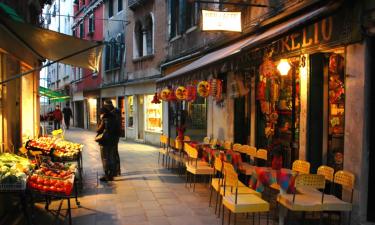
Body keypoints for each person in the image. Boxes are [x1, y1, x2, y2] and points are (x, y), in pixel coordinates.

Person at [96, 100, 121, 182]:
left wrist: (99, 124)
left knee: (105, 158)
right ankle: (114, 173)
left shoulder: (105, 118)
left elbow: (99, 130)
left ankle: (107, 175)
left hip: (105, 141)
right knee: (113, 156)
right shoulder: (116, 115)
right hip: (114, 140)